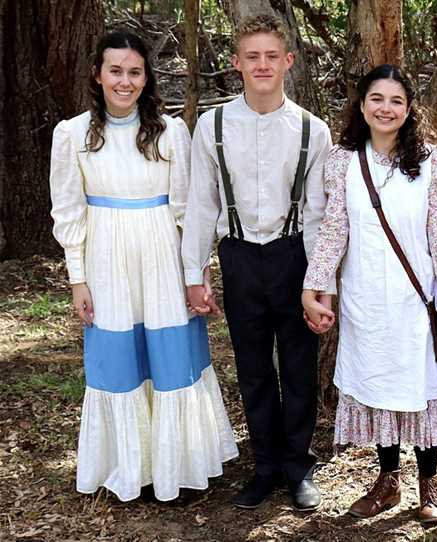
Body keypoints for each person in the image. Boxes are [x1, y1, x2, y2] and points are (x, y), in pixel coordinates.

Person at [48, 30, 238, 502]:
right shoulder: (71, 135)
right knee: (118, 361)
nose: (125, 81)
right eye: (116, 71)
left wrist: (198, 272)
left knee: (171, 356)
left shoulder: (171, 131)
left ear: (146, 77)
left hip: (162, 255)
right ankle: (130, 468)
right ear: (97, 75)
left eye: (134, 72)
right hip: (107, 258)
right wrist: (78, 277)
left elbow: (189, 209)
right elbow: (69, 212)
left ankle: (179, 466)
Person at [301, 64, 437, 524]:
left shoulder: (435, 163)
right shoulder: (342, 161)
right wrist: (316, 287)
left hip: (416, 300)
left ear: (410, 108)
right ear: (362, 104)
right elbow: (333, 230)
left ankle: (429, 484)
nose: (386, 108)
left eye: (396, 100)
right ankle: (388, 479)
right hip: (364, 298)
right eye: (377, 98)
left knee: (420, 387)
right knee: (378, 385)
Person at [181, 15, 332, 510]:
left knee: (298, 365)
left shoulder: (312, 129)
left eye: (272, 56)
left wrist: (319, 283)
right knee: (252, 367)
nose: (262, 65)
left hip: (293, 255)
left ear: (288, 62)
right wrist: (194, 272)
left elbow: (316, 214)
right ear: (236, 64)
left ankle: (298, 465)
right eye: (252, 57)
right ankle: (263, 466)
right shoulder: (213, 125)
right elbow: (202, 203)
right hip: (239, 256)